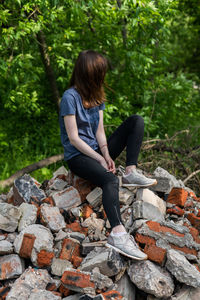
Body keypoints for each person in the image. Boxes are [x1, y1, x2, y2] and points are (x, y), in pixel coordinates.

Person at [59, 50, 157, 260]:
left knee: (136, 121)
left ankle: (131, 171)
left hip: (96, 151)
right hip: (78, 156)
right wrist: (99, 159)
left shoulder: (96, 95)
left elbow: (99, 130)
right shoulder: (69, 97)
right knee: (110, 180)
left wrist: (105, 153)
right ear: (90, 74)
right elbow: (74, 138)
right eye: (101, 73)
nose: (103, 77)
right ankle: (118, 234)